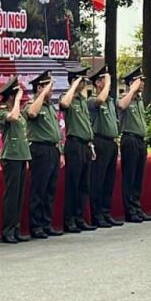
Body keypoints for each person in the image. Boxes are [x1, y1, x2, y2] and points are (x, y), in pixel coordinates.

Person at [25, 71, 65, 238]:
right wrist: (41, 94)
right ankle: (36, 226)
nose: (52, 91)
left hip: (53, 150)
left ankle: (46, 222)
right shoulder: (31, 104)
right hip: (39, 150)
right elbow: (32, 113)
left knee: (50, 189)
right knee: (39, 189)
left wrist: (60, 152)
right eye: (49, 87)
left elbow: (56, 131)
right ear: (40, 88)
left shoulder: (50, 107)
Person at [59, 64, 97, 232]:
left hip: (85, 145)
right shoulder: (67, 97)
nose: (85, 83)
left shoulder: (83, 100)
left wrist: (91, 144)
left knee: (84, 184)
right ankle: (70, 219)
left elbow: (87, 124)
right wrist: (73, 85)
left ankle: (80, 217)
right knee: (73, 184)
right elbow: (64, 104)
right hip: (73, 144)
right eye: (82, 80)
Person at [88, 64, 124, 228]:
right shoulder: (93, 100)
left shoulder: (110, 101)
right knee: (98, 180)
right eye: (103, 79)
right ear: (97, 83)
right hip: (100, 141)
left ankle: (106, 211)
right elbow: (99, 100)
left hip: (111, 142)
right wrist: (109, 82)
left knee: (109, 181)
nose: (107, 81)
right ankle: (97, 215)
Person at [0, 78, 31, 243]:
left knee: (19, 195)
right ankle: (8, 230)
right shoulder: (2, 111)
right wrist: (17, 100)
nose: (21, 96)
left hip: (21, 155)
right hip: (10, 156)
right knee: (11, 195)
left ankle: (16, 227)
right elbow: (12, 117)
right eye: (16, 94)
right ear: (10, 96)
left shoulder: (19, 112)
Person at [119, 69, 150, 223]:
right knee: (129, 176)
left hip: (140, 140)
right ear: (132, 82)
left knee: (138, 176)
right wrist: (131, 90)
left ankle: (136, 207)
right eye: (140, 80)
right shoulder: (125, 97)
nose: (142, 83)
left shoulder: (139, 100)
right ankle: (130, 210)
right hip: (129, 138)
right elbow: (122, 106)